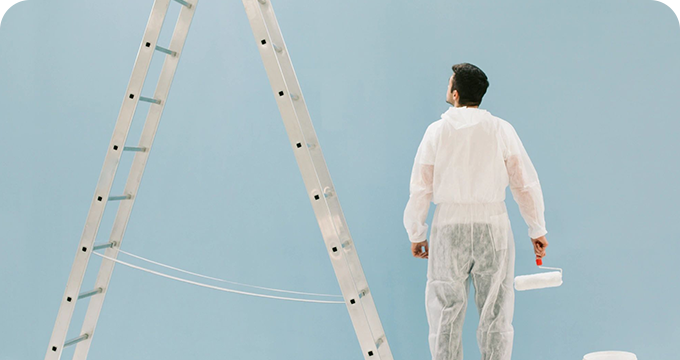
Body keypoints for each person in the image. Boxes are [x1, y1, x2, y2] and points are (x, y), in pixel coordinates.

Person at [403, 63, 549, 360]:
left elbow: (421, 186)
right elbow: (525, 183)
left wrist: (417, 232)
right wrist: (537, 229)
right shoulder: (501, 130)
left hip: (449, 226)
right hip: (492, 225)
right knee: (496, 310)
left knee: (445, 312)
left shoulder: (437, 132)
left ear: (455, 94)